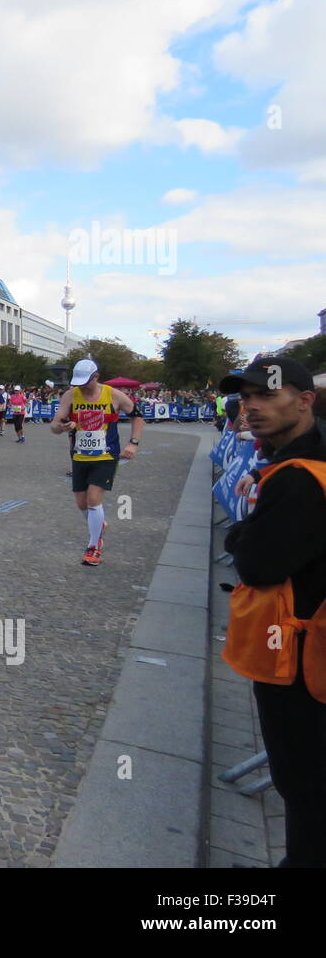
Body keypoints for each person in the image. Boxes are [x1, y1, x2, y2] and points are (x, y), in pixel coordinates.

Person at [219, 358, 326, 867]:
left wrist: (240, 534)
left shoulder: (300, 479)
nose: (253, 407)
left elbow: (258, 562)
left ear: (304, 400)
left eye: (267, 396)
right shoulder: (294, 465)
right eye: (247, 398)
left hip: (302, 666)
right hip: (302, 653)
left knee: (305, 790)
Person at [50, 359, 142, 566]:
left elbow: (137, 417)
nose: (81, 386)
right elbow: (54, 424)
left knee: (93, 499)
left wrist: (133, 443)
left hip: (106, 455)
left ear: (96, 377)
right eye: (78, 382)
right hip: (80, 455)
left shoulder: (114, 395)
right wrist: (62, 427)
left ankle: (94, 546)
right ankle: (99, 524)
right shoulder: (70, 395)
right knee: (81, 503)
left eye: (86, 382)